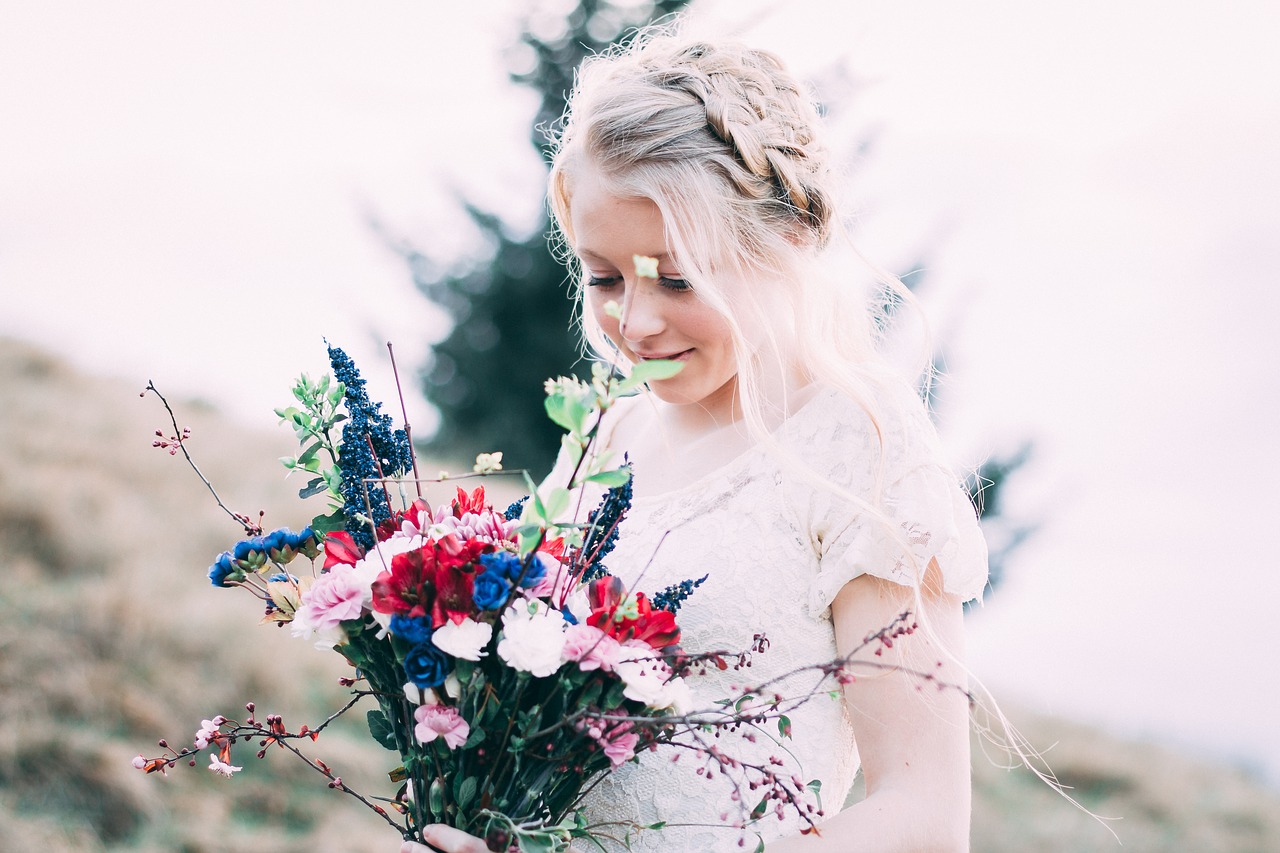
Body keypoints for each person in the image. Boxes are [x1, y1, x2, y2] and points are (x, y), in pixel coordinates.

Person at [403, 27, 989, 853]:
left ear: (784, 243)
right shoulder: (606, 431)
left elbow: (925, 818)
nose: (634, 323)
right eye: (603, 276)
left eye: (678, 278)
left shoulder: (861, 445)